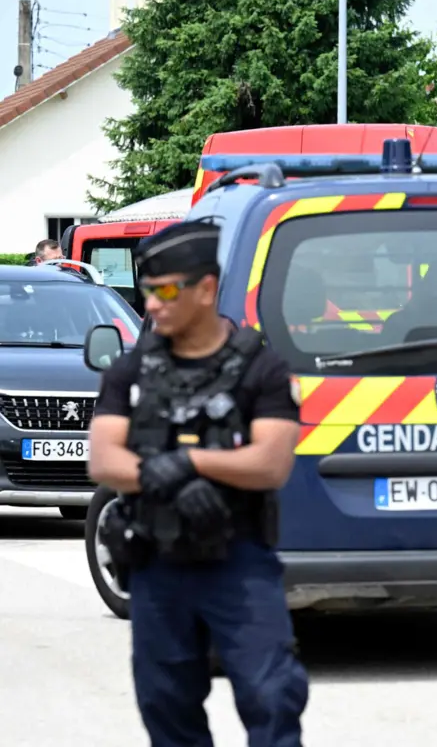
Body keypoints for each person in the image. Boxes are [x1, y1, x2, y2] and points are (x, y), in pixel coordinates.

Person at [87, 220, 309, 746]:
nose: (153, 304)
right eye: (147, 291)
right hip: (159, 561)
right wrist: (160, 478)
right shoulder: (131, 370)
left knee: (272, 695)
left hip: (240, 560)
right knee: (165, 700)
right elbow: (103, 458)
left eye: (166, 291)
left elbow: (271, 463)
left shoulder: (261, 367)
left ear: (206, 289)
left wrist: (192, 466)